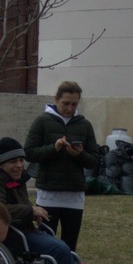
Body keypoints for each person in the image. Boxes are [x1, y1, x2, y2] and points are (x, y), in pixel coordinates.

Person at [0, 137, 78, 264]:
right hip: (8, 234)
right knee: (60, 249)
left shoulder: (16, 176)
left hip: (22, 229)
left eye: (21, 160)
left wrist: (34, 213)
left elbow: (22, 204)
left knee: (65, 249)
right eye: (13, 162)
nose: (19, 166)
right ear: (1, 163)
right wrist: (30, 211)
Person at [24, 80, 101, 250]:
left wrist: (79, 154)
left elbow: (94, 160)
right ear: (56, 99)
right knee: (45, 242)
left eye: (74, 104)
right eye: (66, 103)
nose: (70, 108)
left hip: (74, 194)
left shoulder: (84, 125)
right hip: (48, 193)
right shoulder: (42, 121)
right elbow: (29, 152)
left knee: (70, 243)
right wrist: (54, 148)